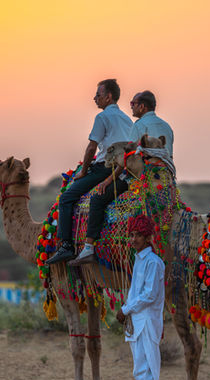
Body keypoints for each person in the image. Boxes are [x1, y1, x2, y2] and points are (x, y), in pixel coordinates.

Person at [69, 90, 174, 265]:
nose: (131, 107)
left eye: (133, 104)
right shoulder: (167, 127)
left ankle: (89, 247)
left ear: (142, 106)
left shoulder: (139, 126)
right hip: (165, 181)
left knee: (97, 200)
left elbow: (127, 159)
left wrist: (108, 180)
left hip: (141, 180)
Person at [47, 79, 132, 264]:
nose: (95, 98)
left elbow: (91, 148)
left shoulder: (102, 118)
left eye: (98, 95)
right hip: (125, 169)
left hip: (105, 168)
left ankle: (66, 246)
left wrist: (83, 171)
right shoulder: (127, 118)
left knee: (66, 198)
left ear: (108, 96)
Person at [116, 215, 165, 380]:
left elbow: (149, 295)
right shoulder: (139, 259)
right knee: (139, 368)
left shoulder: (153, 262)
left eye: (138, 235)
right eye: (132, 235)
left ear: (147, 237)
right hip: (137, 320)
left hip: (146, 321)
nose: (133, 239)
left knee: (148, 367)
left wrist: (125, 309)